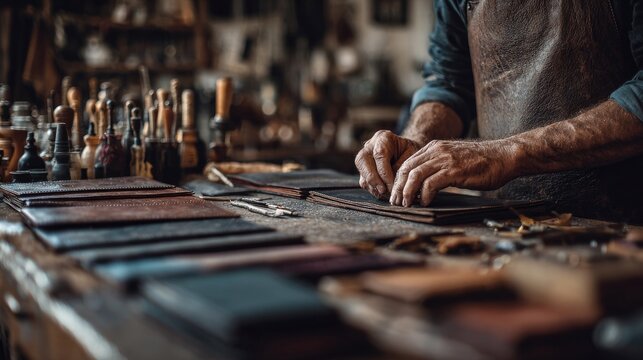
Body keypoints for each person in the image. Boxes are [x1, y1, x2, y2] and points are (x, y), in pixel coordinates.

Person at [355, 0, 643, 222]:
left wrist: (507, 153)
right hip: (504, 219)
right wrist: (416, 146)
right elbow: (451, 82)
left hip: (623, 224)